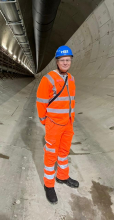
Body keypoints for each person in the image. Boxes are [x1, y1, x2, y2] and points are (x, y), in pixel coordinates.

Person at [36, 45, 79, 204]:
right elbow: (41, 102)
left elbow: (71, 101)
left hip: (67, 124)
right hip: (53, 124)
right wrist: (44, 121)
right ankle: (49, 185)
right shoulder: (48, 79)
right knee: (51, 155)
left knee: (64, 152)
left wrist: (71, 119)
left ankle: (62, 176)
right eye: (63, 60)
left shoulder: (72, 79)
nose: (66, 63)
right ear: (57, 61)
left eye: (68, 60)